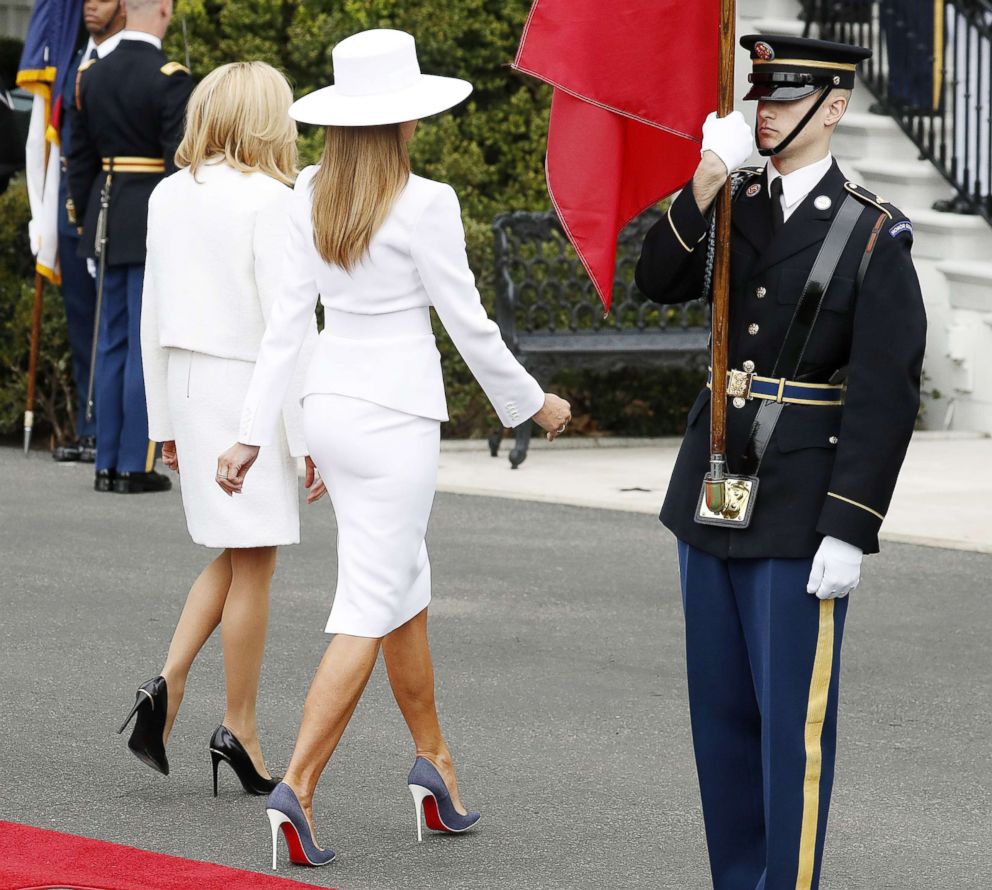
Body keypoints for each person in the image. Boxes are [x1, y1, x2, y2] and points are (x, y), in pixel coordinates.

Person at [215, 29, 572, 869]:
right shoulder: (427, 202)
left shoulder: (306, 192)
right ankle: (296, 788)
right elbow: (468, 323)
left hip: (333, 412)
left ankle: (435, 768)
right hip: (397, 421)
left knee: (401, 579)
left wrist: (255, 434)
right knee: (370, 599)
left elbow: (285, 329)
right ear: (405, 120)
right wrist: (533, 404)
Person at [635, 35, 927, 890]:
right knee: (721, 722)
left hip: (801, 504)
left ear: (832, 107)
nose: (763, 112)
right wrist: (704, 178)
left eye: (783, 99)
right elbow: (656, 278)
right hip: (712, 488)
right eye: (757, 97)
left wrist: (850, 526)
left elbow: (885, 395)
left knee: (789, 734)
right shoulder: (730, 199)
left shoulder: (874, 233)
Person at [119, 62, 317, 795]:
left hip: (193, 388)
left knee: (237, 556)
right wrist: (307, 432)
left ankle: (166, 686)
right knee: (255, 561)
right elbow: (288, 330)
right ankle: (240, 727)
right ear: (272, 119)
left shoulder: (169, 195)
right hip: (249, 395)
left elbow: (152, 316)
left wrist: (163, 421)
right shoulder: (275, 201)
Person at [66, 0, 192, 493]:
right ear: (164, 10)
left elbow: (79, 162)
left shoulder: (92, 74)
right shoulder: (170, 76)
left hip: (104, 213)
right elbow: (177, 164)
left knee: (111, 340)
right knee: (144, 344)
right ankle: (135, 466)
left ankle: (106, 462)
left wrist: (85, 223)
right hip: (148, 218)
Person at [52, 0, 127, 463]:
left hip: (114, 208)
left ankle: (120, 430)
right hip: (71, 206)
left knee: (116, 323)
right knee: (83, 321)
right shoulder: (69, 60)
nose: (90, 6)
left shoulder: (128, 62)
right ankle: (89, 424)